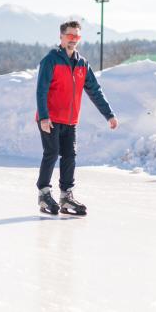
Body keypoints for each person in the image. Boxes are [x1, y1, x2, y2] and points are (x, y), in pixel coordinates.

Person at [35, 20, 118, 216]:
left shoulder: (82, 64)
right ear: (61, 37)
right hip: (51, 118)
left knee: (70, 156)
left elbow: (94, 91)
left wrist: (109, 114)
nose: (73, 40)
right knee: (52, 153)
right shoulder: (51, 60)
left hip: (70, 120)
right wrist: (44, 117)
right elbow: (41, 90)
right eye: (70, 36)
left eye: (77, 36)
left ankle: (66, 196)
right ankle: (44, 193)